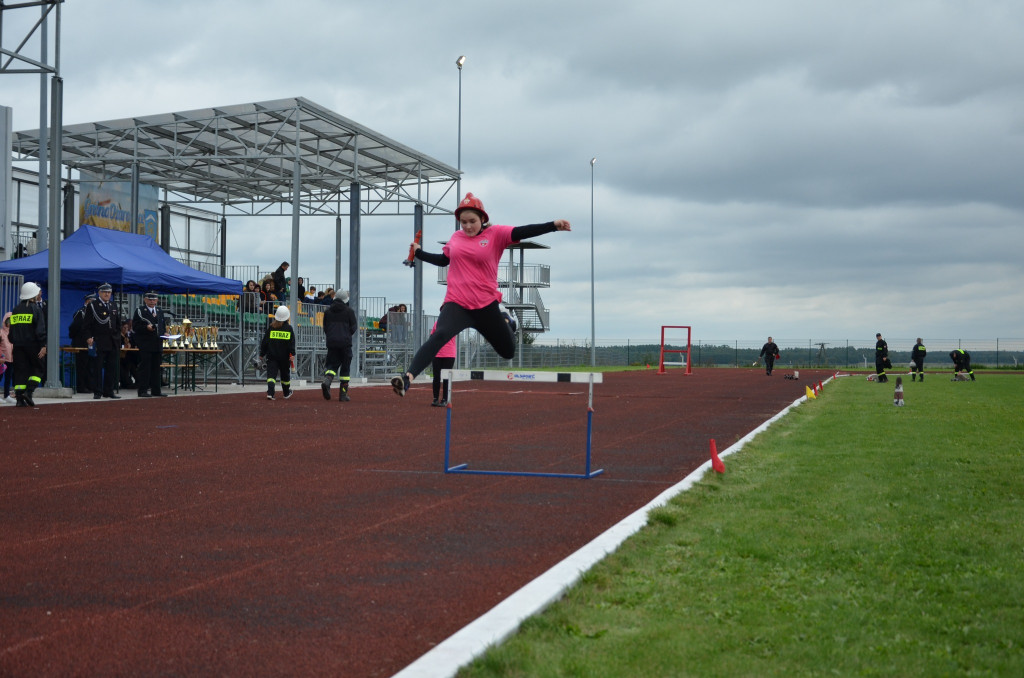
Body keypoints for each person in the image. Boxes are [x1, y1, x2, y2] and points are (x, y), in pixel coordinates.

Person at [392, 192, 571, 397]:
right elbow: (444, 260)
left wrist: (553, 225)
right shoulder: (456, 238)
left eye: (472, 222)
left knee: (508, 352)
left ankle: (506, 321)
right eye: (463, 222)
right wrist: (419, 252)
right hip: (457, 303)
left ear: (483, 219)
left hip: (485, 305)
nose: (467, 226)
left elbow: (524, 230)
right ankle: (407, 379)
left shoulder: (496, 234)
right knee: (439, 335)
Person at [8, 282, 47, 407]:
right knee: (39, 368)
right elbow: (40, 330)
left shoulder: (16, 309)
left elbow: (11, 332)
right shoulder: (36, 308)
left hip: (18, 346)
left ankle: (19, 399)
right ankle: (28, 392)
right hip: (33, 345)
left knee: (20, 371)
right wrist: (43, 345)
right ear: (33, 295)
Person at [84, 282, 123, 399]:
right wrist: (88, 337)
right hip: (99, 340)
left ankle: (108, 390)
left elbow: (117, 323)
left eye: (109, 292)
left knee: (111, 368)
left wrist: (117, 337)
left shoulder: (113, 305)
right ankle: (97, 391)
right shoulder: (93, 305)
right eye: (105, 292)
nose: (107, 294)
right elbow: (86, 325)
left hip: (112, 341)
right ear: (99, 293)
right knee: (97, 367)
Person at [320, 289, 357, 401]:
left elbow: (325, 327)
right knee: (345, 369)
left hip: (331, 342)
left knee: (331, 365)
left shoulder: (327, 311)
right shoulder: (349, 311)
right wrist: (346, 335)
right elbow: (353, 327)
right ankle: (343, 395)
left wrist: (332, 336)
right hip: (345, 343)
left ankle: (327, 381)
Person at [133, 291, 168, 397]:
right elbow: (135, 327)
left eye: (154, 299)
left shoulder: (159, 310)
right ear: (145, 300)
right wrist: (146, 328)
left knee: (157, 368)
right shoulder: (140, 311)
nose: (152, 301)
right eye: (150, 299)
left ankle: (156, 390)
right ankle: (142, 390)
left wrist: (165, 333)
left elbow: (162, 325)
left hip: (157, 343)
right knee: (145, 368)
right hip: (146, 344)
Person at [260, 305, 295, 400]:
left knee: (271, 375)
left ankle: (270, 393)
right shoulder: (289, 328)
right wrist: (292, 354)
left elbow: (265, 342)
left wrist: (261, 354)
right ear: (287, 317)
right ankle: (286, 393)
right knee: (285, 376)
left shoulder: (271, 327)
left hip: (272, 356)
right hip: (284, 357)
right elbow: (292, 343)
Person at [68, 292, 96, 393]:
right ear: (88, 301)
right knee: (82, 366)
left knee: (91, 366)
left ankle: (90, 386)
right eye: (93, 302)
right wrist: (76, 338)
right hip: (81, 343)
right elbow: (73, 328)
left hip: (92, 344)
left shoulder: (94, 312)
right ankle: (81, 386)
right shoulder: (81, 312)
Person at [430, 320, 457, 407]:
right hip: (437, 353)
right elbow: (432, 336)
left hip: (449, 354)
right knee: (436, 377)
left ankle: (445, 399)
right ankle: (435, 398)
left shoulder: (454, 323)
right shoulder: (437, 323)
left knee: (446, 378)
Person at [118, 320, 138, 388]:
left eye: (127, 328)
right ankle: (127, 381)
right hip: (121, 356)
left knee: (131, 362)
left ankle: (137, 380)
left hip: (127, 355)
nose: (126, 329)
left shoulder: (127, 336)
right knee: (129, 362)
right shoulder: (119, 336)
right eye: (124, 328)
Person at [0, 312, 13, 404]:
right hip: (2, 360)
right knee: (0, 377)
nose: (10, 323)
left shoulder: (13, 333)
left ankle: (7, 395)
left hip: (11, 359)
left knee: (8, 378)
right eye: (8, 321)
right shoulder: (1, 332)